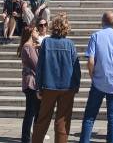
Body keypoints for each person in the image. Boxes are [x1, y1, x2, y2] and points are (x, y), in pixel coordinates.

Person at [78, 11, 113, 143]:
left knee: (89, 116)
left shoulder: (96, 36)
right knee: (112, 118)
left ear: (102, 20)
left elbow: (90, 61)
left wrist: (92, 75)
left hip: (98, 81)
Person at [32, 12, 81, 143]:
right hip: (67, 87)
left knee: (42, 119)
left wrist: (38, 87)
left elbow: (40, 67)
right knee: (62, 121)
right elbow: (76, 67)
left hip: (49, 85)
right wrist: (76, 85)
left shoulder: (46, 42)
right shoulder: (70, 44)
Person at [19, 23, 42, 143]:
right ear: (31, 33)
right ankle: (26, 138)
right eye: (36, 30)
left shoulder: (30, 46)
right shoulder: (28, 47)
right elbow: (37, 65)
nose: (38, 32)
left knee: (35, 111)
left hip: (32, 82)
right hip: (31, 83)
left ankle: (33, 137)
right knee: (31, 112)